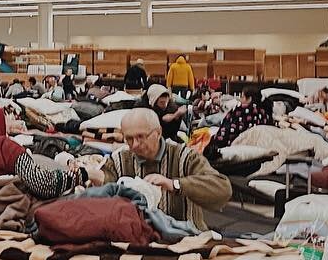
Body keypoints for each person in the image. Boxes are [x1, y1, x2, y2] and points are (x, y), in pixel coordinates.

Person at [93, 107, 231, 229]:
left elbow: (223, 190)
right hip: (137, 240)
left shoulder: (186, 157)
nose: (134, 145)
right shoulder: (119, 160)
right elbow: (104, 187)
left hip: (186, 241)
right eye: (129, 138)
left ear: (158, 133)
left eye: (141, 136)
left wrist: (174, 184)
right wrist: (92, 176)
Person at [205, 84, 272, 161]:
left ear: (249, 99)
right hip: (256, 146)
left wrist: (214, 142)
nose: (240, 99)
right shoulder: (264, 113)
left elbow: (226, 131)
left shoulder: (240, 110)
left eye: (242, 97)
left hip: (233, 143)